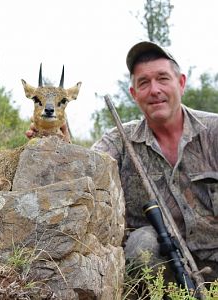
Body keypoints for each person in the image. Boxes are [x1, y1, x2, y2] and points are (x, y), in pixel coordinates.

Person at [26, 41, 218, 282]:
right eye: (144, 83)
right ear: (134, 94)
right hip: (166, 270)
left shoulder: (214, 131)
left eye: (163, 78)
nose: (155, 89)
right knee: (141, 246)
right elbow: (87, 169)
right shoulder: (119, 140)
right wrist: (59, 142)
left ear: (181, 83)